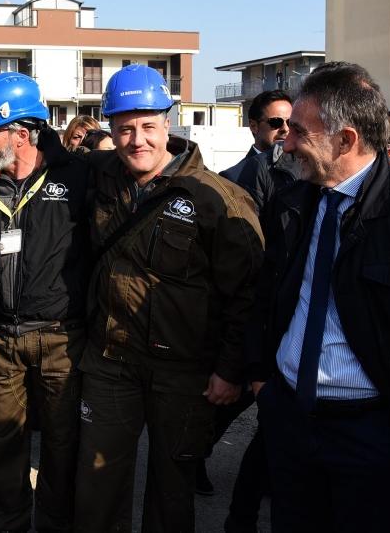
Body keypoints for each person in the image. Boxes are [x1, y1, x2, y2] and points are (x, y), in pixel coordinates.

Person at [251, 61, 390, 533]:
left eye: (299, 131)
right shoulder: (293, 203)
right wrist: (265, 383)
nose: (287, 142)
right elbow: (267, 295)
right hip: (290, 420)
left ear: (346, 140)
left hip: (371, 435)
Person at [74, 64, 264, 533]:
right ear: (110, 131)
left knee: (172, 487)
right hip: (111, 362)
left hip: (183, 372)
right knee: (97, 485)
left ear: (168, 123)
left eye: (148, 127)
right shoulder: (98, 179)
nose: (137, 139)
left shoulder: (219, 199)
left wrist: (230, 370)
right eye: (124, 129)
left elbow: (247, 296)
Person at [0, 73, 91, 532]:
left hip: (60, 340)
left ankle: (56, 525)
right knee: (2, 445)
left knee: (61, 446)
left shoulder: (79, 177)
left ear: (20, 134)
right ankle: (6, 526)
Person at [221, 90, 292, 183]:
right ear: (254, 126)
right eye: (276, 122)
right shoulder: (234, 177)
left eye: (290, 122)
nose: (285, 129)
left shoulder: (306, 170)